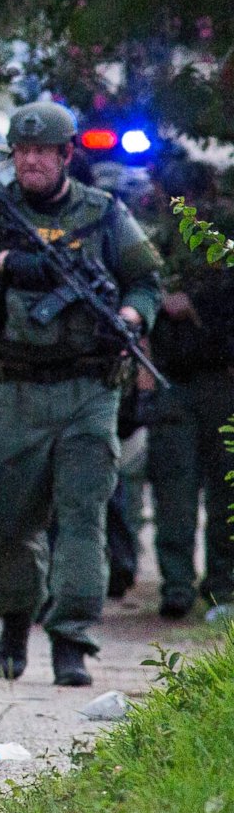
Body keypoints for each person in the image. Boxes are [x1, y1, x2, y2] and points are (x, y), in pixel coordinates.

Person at [0, 100, 166, 686]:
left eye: (44, 152)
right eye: (23, 150)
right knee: (8, 521)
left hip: (89, 387)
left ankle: (71, 639)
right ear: (12, 154)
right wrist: (4, 264)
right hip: (13, 390)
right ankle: (16, 616)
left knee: (83, 516)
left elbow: (145, 280)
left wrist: (134, 319)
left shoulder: (104, 215)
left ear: (65, 156)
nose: (32, 160)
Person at [146, 162, 234, 618]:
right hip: (172, 379)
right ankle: (177, 585)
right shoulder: (154, 242)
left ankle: (221, 585)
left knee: (225, 491)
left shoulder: (224, 238)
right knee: (174, 491)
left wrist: (193, 307)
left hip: (221, 377)